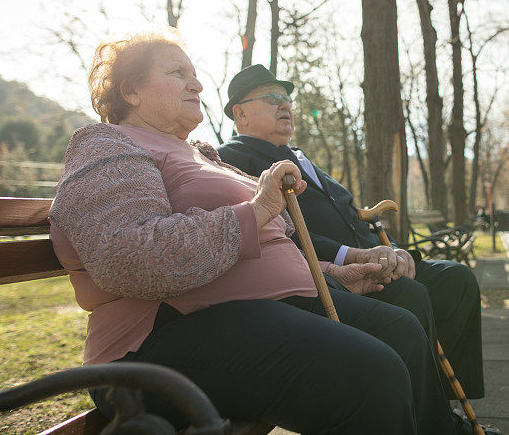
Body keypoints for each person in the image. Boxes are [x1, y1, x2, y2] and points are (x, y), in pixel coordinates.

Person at [48, 29, 458, 434]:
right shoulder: (108, 145)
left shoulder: (198, 153)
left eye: (193, 73)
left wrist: (336, 274)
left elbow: (265, 244)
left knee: (401, 332)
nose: (197, 84)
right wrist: (258, 208)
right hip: (155, 344)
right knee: (373, 374)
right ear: (131, 92)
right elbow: (128, 258)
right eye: (177, 73)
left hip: (251, 312)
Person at [216, 64, 486, 405]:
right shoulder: (233, 160)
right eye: (272, 98)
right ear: (241, 113)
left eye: (287, 98)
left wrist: (396, 251)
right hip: (331, 274)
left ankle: (439, 406)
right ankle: (429, 416)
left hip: (375, 254)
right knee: (411, 295)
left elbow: (352, 212)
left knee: (457, 280)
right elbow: (280, 234)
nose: (286, 105)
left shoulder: (298, 155)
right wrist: (351, 255)